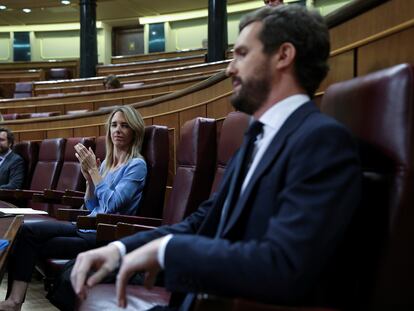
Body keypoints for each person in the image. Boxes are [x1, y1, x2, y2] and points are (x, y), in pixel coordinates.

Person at [67, 5, 360, 310]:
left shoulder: (321, 141)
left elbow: (284, 265)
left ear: (284, 56)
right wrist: (119, 248)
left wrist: (168, 251)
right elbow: (202, 221)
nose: (229, 68)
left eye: (242, 54)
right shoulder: (256, 139)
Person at [0, 106, 147, 311]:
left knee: (29, 245)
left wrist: (94, 173)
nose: (118, 130)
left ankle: (15, 302)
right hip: (86, 225)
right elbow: (91, 206)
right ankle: (14, 300)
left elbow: (113, 206)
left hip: (104, 234)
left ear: (135, 131)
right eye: (114, 125)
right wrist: (89, 182)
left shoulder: (136, 165)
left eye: (124, 126)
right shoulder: (106, 163)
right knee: (24, 231)